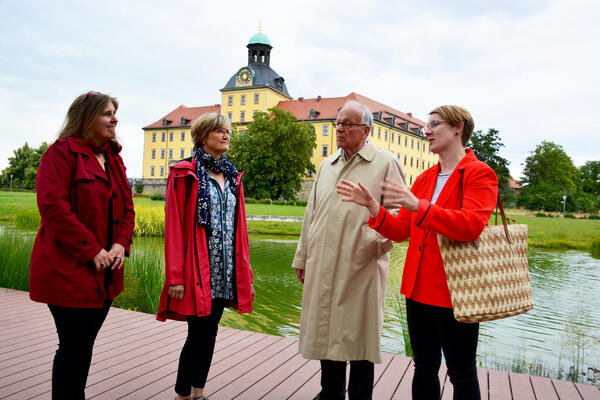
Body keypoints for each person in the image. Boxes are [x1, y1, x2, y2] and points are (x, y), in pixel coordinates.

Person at [336, 105, 498, 400]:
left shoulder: (478, 173)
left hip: (456, 291)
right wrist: (374, 207)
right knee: (423, 367)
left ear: (458, 128)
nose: (427, 131)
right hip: (417, 290)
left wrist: (418, 207)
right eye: (428, 125)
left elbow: (471, 226)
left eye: (435, 124)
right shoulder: (425, 178)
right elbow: (401, 232)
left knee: (461, 372)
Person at [292, 100, 405, 400]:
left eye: (347, 124)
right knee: (328, 335)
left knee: (359, 341)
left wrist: (371, 245)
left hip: (361, 267)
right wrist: (302, 257)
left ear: (366, 130)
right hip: (323, 265)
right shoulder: (326, 166)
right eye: (337, 123)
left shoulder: (385, 163)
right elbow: (311, 216)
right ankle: (329, 394)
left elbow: (399, 219)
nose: (339, 129)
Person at [29, 91, 135, 400]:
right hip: (68, 270)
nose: (114, 118)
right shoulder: (60, 153)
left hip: (104, 273)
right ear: (86, 117)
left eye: (115, 112)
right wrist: (91, 250)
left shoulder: (113, 158)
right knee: (74, 345)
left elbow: (128, 209)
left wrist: (119, 245)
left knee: (83, 344)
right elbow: (53, 208)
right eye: (106, 113)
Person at [156, 112, 255, 400]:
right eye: (219, 131)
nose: (226, 135)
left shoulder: (232, 175)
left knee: (210, 333)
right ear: (203, 136)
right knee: (197, 334)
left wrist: (245, 276)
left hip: (226, 270)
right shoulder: (184, 173)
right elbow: (174, 227)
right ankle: (182, 394)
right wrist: (175, 276)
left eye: (228, 131)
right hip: (198, 270)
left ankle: (199, 392)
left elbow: (241, 232)